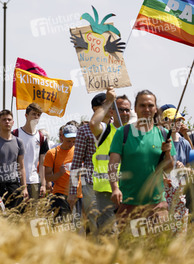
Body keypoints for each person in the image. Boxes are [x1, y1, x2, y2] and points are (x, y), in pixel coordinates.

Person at [108, 90, 176, 226]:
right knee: (127, 247)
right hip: (128, 204)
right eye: (142, 105)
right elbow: (112, 165)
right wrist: (115, 188)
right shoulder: (123, 132)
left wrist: (167, 153)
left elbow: (169, 169)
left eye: (150, 105)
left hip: (157, 205)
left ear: (156, 108)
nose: (147, 109)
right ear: (136, 108)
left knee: (160, 246)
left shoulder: (163, 134)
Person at [88, 88, 131, 234]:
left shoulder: (135, 133)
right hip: (106, 190)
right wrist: (108, 101)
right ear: (112, 112)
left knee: (128, 232)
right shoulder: (105, 131)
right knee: (108, 232)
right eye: (120, 110)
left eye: (127, 110)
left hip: (129, 188)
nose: (124, 113)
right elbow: (93, 124)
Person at [69, 94, 107, 235]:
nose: (110, 108)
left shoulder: (117, 128)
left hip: (113, 183)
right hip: (91, 185)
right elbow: (77, 162)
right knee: (94, 224)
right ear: (95, 108)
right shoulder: (84, 131)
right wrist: (73, 192)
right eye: (106, 104)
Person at [0, 110, 28, 210]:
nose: (7, 122)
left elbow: (21, 167)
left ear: (13, 122)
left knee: (16, 220)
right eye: (4, 120)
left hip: (13, 185)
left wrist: (24, 188)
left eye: (9, 119)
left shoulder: (19, 142)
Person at [12, 103, 49, 200]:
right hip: (16, 181)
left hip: (34, 181)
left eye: (38, 115)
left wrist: (43, 184)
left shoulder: (42, 138)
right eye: (33, 114)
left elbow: (42, 164)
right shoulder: (15, 134)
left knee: (33, 214)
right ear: (26, 115)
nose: (36, 117)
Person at [44, 125, 82, 218]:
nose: (71, 144)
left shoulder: (79, 151)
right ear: (62, 137)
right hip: (60, 194)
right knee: (63, 226)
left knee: (79, 226)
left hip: (78, 194)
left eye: (74, 141)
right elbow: (47, 177)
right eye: (69, 141)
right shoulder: (52, 153)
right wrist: (59, 173)